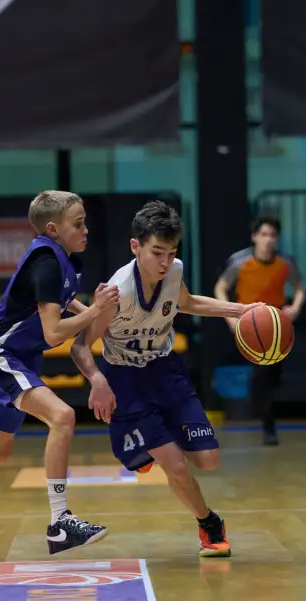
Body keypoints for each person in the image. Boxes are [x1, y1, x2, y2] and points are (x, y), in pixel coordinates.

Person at [0, 190, 119, 559]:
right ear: (53, 229)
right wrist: (95, 313)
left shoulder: (60, 259)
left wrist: (99, 313)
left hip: (20, 358)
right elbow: (53, 333)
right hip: (0, 355)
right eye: (78, 224)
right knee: (63, 416)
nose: (86, 230)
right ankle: (60, 522)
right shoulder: (46, 262)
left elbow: (65, 302)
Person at [70, 200, 264, 557]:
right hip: (124, 378)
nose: (164, 261)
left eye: (171, 253)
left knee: (208, 459)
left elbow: (187, 303)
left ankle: (144, 440)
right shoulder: (117, 293)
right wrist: (96, 380)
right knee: (174, 464)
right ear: (135, 246)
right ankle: (209, 523)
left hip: (165, 369)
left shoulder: (173, 272)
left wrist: (242, 310)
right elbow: (80, 346)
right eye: (157, 252)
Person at [214, 216, 305, 446]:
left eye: (272, 235)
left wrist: (294, 308)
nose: (268, 239)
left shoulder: (285, 262)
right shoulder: (240, 261)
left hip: (276, 325)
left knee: (271, 375)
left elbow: (299, 288)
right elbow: (220, 288)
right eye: (264, 234)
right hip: (250, 324)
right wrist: (230, 317)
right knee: (263, 372)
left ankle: (262, 404)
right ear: (255, 237)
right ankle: (269, 426)